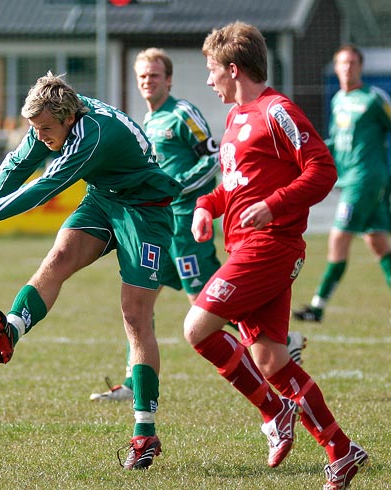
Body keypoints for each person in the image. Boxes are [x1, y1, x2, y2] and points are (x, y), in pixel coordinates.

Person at [0, 72, 183, 470]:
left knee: (135, 315)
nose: (40, 136)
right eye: (36, 129)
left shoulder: (91, 135)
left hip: (146, 210)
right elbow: (16, 165)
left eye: (46, 129)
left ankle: (145, 433)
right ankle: (12, 329)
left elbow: (43, 187)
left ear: (66, 118)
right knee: (59, 256)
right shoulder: (51, 119)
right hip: (104, 198)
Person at [184, 22, 367, 489]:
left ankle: (272, 409)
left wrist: (275, 205)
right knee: (270, 360)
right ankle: (341, 451)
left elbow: (322, 170)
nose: (208, 81)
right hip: (247, 245)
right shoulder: (234, 119)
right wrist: (207, 206)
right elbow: (235, 186)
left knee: (197, 327)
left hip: (272, 247)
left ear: (233, 68)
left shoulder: (277, 111)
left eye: (211, 71)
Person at [90, 48, 307, 402]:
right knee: (140, 302)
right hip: (159, 228)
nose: (148, 81)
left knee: (202, 302)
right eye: (142, 76)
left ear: (169, 79)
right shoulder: (147, 122)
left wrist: (180, 192)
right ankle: (133, 383)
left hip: (189, 226)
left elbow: (210, 157)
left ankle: (281, 343)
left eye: (155, 75)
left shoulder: (182, 113)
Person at [293, 44, 391, 322]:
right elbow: (336, 140)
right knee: (379, 243)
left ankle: (317, 307)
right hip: (350, 179)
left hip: (367, 179)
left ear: (360, 67)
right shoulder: (337, 100)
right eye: (342, 63)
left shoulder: (373, 99)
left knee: (338, 238)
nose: (347, 68)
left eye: (352, 63)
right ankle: (318, 307)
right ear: (336, 68)